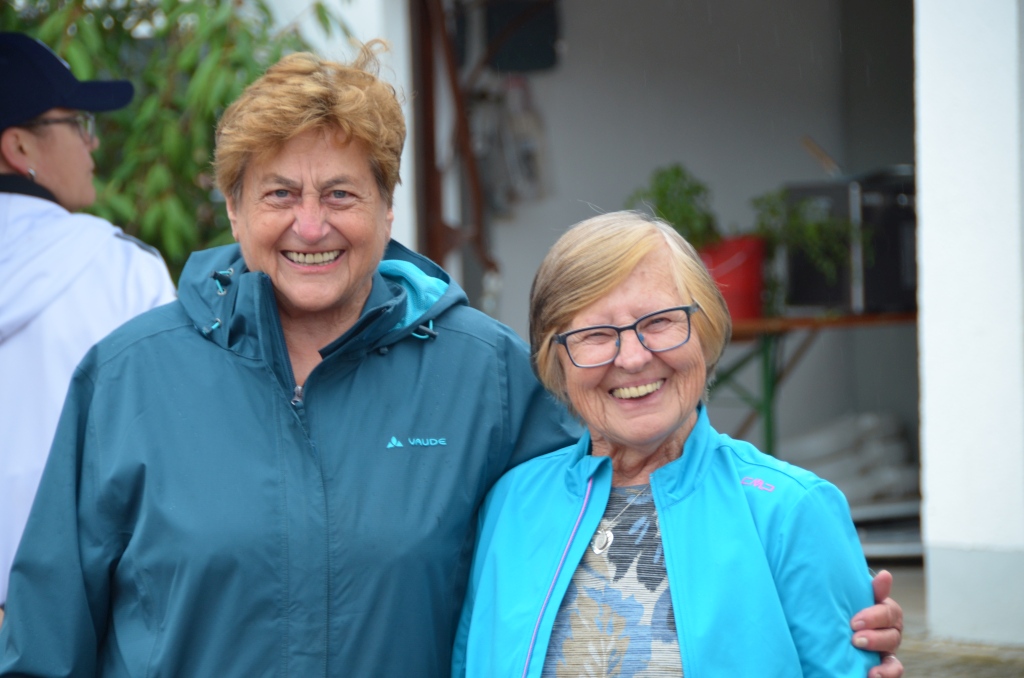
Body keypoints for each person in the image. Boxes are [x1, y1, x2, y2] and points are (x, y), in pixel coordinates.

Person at [0, 44, 903, 677]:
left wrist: (823, 613)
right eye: (278, 193)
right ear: (233, 211)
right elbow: (48, 636)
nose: (311, 224)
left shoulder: (484, 373)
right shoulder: (130, 377)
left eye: (342, 193)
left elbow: (606, 508)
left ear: (387, 209)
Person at [453, 211, 898, 677]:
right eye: (595, 335)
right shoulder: (509, 504)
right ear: (556, 359)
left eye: (659, 321)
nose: (633, 358)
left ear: (704, 330)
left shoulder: (791, 511)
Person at [0, 32, 177, 624]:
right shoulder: (120, 268)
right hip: (68, 624)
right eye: (76, 123)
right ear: (18, 145)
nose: (92, 141)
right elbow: (168, 458)